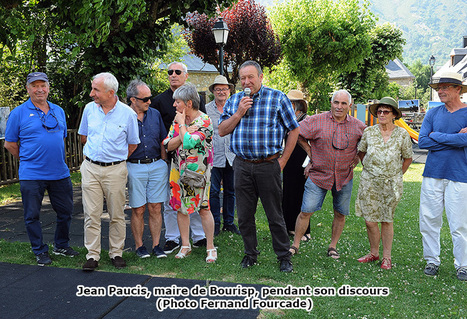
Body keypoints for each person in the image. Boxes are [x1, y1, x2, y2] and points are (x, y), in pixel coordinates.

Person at [219, 60, 300, 272]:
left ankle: (283, 256)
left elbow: (294, 129)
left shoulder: (277, 97)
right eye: (243, 78)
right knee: (245, 216)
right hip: (242, 165)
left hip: (268, 165)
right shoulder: (235, 100)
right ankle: (250, 254)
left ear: (261, 77)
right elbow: (221, 130)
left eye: (250, 77)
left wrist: (282, 161)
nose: (246, 82)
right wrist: (238, 113)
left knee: (275, 214)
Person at [4, 72, 78, 266]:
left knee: (65, 211)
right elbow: (10, 144)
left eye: (42, 85)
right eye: (34, 86)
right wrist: (28, 159)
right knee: (32, 215)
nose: (39, 89)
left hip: (59, 173)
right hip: (32, 174)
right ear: (28, 89)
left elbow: (61, 139)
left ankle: (61, 245)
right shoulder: (18, 113)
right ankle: (39, 250)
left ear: (48, 87)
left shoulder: (58, 110)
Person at [290, 89, 365, 259]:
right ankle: (295, 244)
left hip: (344, 177)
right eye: (336, 102)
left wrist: (358, 157)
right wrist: (310, 152)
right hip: (318, 175)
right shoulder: (316, 121)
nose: (339, 106)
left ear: (350, 105)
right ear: (331, 103)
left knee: (340, 213)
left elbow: (366, 142)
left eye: (343, 103)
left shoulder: (358, 126)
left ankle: (333, 246)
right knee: (306, 211)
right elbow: (296, 132)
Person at [78, 72, 140, 271]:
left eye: (96, 90)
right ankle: (92, 255)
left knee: (116, 214)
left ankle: (116, 253)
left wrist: (114, 158)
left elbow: (132, 144)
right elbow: (83, 137)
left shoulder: (128, 114)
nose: (91, 94)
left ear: (111, 92)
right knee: (91, 214)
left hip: (115, 170)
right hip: (90, 168)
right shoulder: (89, 109)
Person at [151, 62, 207, 254]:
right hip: (173, 160)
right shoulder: (159, 101)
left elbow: (196, 137)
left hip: (196, 163)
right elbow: (164, 139)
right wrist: (181, 133)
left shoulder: (197, 101)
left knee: (197, 200)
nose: (173, 75)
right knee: (172, 201)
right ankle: (173, 238)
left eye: (177, 72)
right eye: (169, 72)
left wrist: (184, 133)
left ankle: (199, 236)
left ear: (186, 75)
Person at [419, 71, 467, 281]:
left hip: (460, 174)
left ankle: (463, 265)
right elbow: (423, 142)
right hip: (433, 173)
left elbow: (464, 142)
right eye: (439, 88)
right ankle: (432, 260)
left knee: (459, 223)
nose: (440, 91)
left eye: (445, 87)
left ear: (458, 90)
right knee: (429, 219)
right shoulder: (433, 114)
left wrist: (436, 136)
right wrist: (456, 138)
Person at [355, 97, 413, 270]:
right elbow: (361, 153)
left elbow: (408, 159)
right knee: (370, 220)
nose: (381, 114)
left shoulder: (402, 134)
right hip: (369, 181)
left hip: (391, 183)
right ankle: (374, 253)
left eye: (386, 111)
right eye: (379, 111)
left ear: (394, 114)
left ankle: (386, 257)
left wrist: (396, 175)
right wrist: (371, 169)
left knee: (387, 219)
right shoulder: (369, 132)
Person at [163, 83, 217, 263]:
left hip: (199, 173)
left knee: (203, 208)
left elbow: (188, 144)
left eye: (177, 102)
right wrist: (182, 132)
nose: (174, 105)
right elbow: (168, 145)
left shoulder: (204, 121)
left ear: (188, 103)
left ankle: (210, 247)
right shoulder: (178, 120)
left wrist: (181, 130)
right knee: (180, 208)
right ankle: (185, 245)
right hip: (178, 171)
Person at [126, 79, 168, 259]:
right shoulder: (123, 116)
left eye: (150, 98)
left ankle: (157, 245)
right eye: (145, 99)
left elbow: (162, 140)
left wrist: (163, 163)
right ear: (132, 99)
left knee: (156, 207)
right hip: (134, 166)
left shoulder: (155, 114)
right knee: (138, 209)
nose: (149, 101)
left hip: (157, 165)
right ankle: (139, 246)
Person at [205, 75, 240, 236]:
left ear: (229, 91)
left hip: (232, 155)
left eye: (224, 89)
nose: (221, 92)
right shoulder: (206, 109)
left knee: (230, 190)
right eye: (218, 89)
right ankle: (215, 223)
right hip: (213, 156)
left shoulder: (235, 107)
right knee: (212, 191)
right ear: (213, 91)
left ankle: (229, 222)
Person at [282, 90, 311, 241]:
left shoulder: (307, 120)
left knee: (302, 194)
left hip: (303, 161)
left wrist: (311, 162)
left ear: (298, 104)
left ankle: (304, 229)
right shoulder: (286, 118)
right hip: (288, 160)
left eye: (291, 103)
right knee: (288, 193)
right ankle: (288, 226)